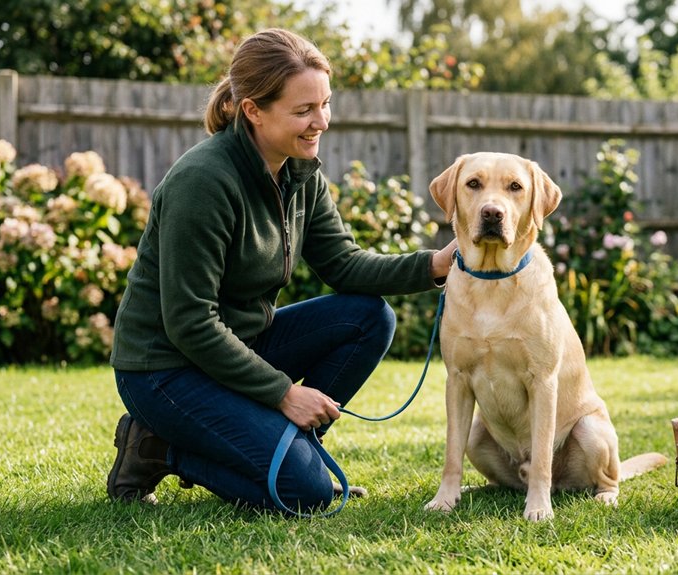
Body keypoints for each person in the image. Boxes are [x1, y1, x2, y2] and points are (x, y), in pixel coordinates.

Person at [106, 28, 456, 514]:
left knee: (370, 318)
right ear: (252, 110)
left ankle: (289, 453)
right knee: (306, 493)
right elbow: (190, 322)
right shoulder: (202, 182)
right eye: (303, 111)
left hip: (240, 347)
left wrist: (435, 264)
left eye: (325, 104)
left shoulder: (299, 170)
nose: (321, 122)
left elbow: (344, 264)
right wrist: (283, 393)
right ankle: (158, 448)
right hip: (166, 370)